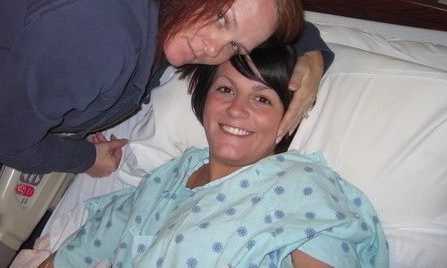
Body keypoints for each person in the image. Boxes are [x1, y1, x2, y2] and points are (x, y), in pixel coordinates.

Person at [0, 0, 333, 265]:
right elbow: (5, 136)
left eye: (235, 47)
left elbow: (258, 18)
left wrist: (312, 54)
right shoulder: (102, 33)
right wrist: (85, 158)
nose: (212, 50)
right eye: (220, 18)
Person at [39, 45, 387, 268]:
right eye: (225, 89)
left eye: (262, 99)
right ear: (204, 100)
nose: (237, 109)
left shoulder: (302, 186)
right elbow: (74, 256)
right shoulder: (166, 178)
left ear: (288, 117)